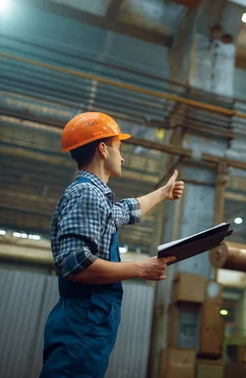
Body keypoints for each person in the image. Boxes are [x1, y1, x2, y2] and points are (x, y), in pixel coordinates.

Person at [40, 112, 184, 378]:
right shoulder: (86, 193)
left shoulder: (94, 196)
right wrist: (142, 268)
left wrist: (163, 193)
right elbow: (77, 265)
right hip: (84, 318)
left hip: (87, 319)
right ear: (103, 149)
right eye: (119, 148)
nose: (123, 157)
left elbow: (126, 211)